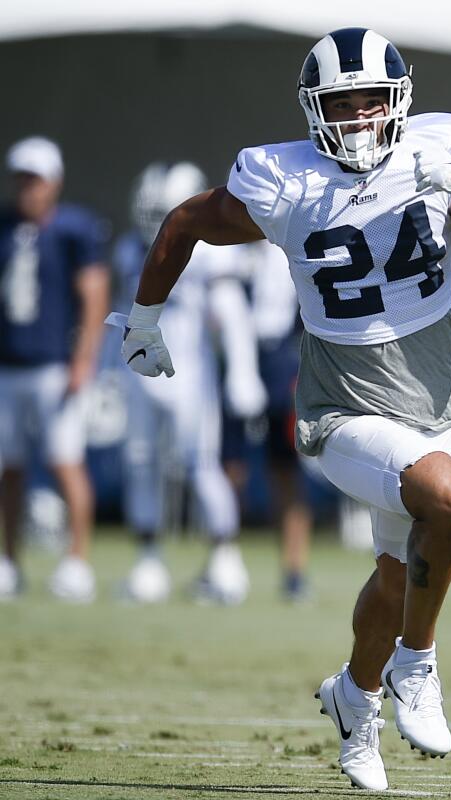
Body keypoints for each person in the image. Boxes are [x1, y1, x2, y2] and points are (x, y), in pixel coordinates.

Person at [112, 28, 451, 790]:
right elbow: (185, 222)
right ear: (314, 111)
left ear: (399, 102)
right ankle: (418, 663)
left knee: (394, 575)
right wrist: (144, 318)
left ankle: (356, 697)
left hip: (434, 395)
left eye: (370, 102)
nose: (356, 119)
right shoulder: (285, 178)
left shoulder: (438, 149)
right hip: (341, 405)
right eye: (340, 105)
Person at [114, 162, 266, 605]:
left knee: (198, 462)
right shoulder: (128, 249)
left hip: (189, 371)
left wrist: (242, 371)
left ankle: (224, 558)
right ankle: (148, 559)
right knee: (140, 461)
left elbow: (230, 313)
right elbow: (122, 312)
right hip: (138, 368)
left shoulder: (210, 250)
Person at [0, 136, 109, 602]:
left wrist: (83, 360)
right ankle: (8, 561)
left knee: (66, 462)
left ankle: (76, 561)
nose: (27, 187)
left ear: (54, 182)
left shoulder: (74, 229)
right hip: (8, 365)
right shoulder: (5, 227)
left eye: (35, 178)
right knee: (8, 468)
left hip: (54, 367)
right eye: (21, 178)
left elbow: (93, 295)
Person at [219, 238, 317, 602]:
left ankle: (294, 569)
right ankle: (224, 559)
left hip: (282, 357)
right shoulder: (229, 248)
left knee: (285, 466)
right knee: (229, 464)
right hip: (236, 352)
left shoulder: (291, 240)